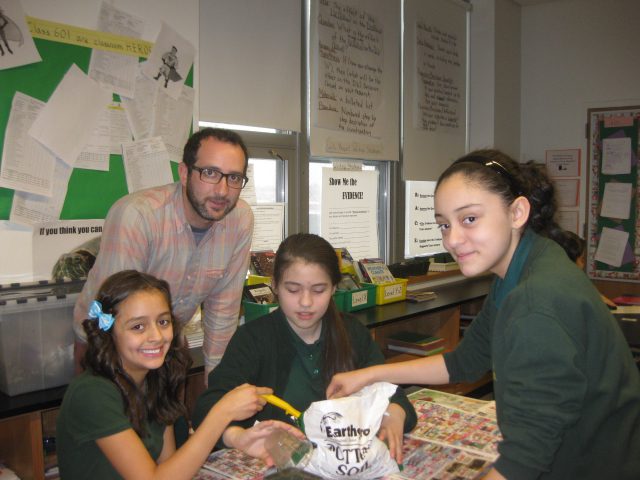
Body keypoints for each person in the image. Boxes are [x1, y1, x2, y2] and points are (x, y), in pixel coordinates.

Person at [326, 150, 640, 479]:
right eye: (444, 225)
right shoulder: (525, 266)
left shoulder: (534, 302)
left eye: (470, 219)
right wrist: (372, 374)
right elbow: (466, 361)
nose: (453, 239)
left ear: (517, 212)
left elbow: (522, 460)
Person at [191, 233, 417, 464]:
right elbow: (206, 409)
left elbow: (391, 392)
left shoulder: (351, 332)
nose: (306, 302)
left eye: (319, 290)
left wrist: (393, 413)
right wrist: (237, 436)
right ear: (275, 286)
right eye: (293, 290)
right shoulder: (253, 339)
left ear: (334, 289)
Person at [57, 270, 297, 479]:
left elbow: (171, 469)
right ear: (109, 332)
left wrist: (238, 440)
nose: (156, 336)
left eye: (163, 322)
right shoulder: (92, 393)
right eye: (138, 326)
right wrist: (222, 413)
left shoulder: (155, 378)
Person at [74, 127, 254, 379]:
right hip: (105, 340)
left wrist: (217, 391)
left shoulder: (239, 220)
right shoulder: (137, 216)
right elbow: (112, 315)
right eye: (210, 173)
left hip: (166, 343)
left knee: (174, 415)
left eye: (234, 178)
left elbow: (223, 311)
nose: (223, 191)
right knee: (118, 414)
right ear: (184, 173)